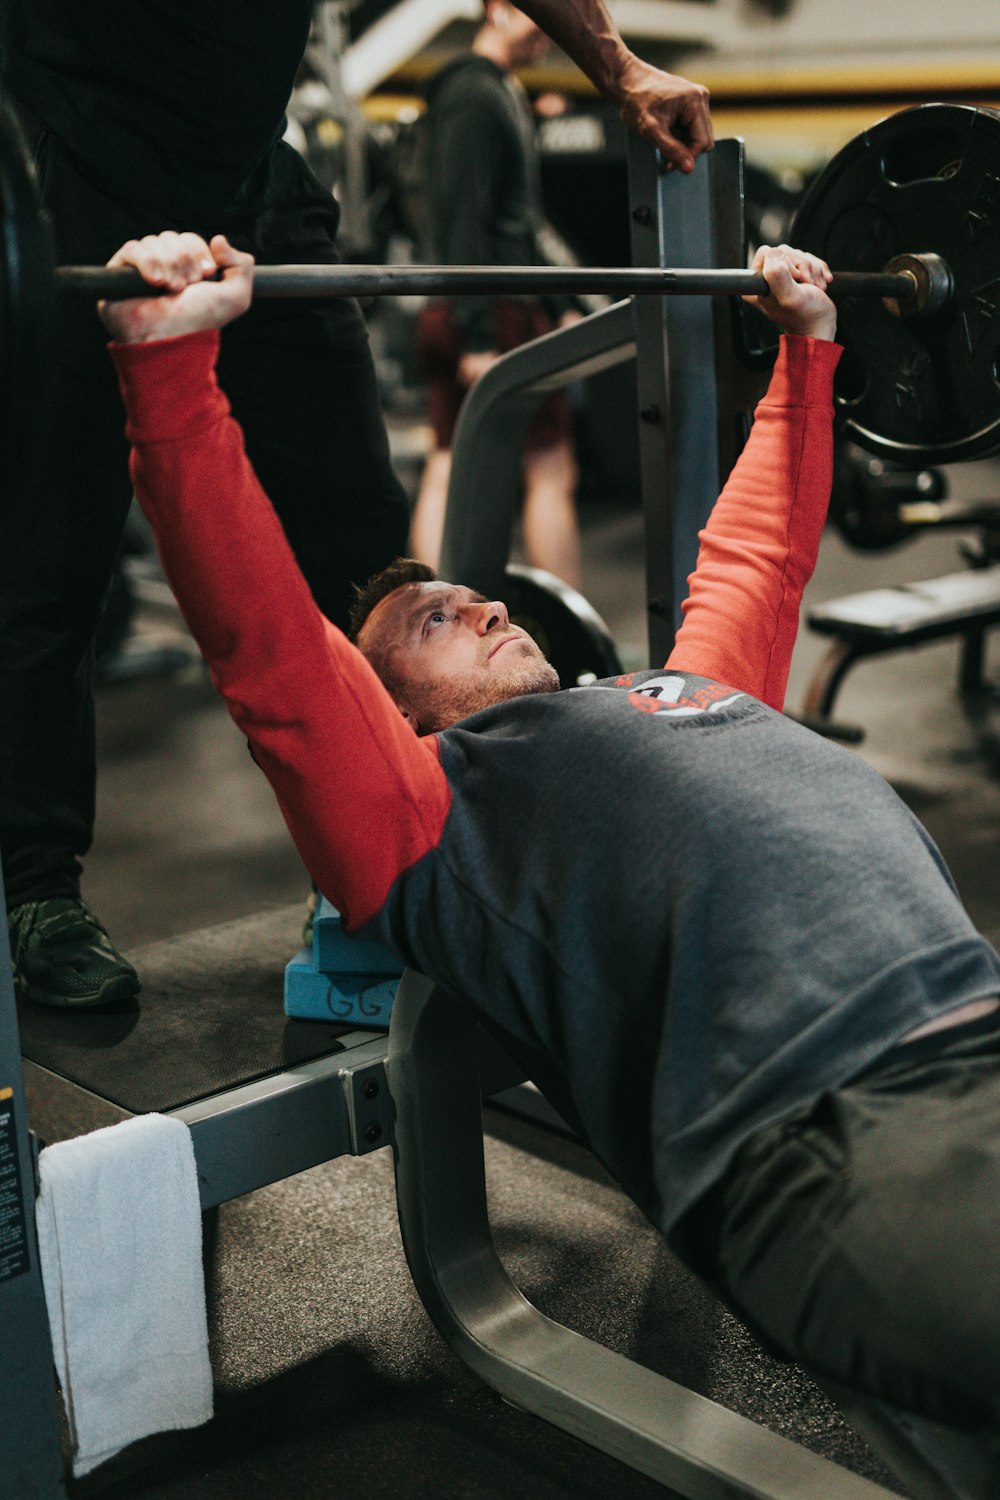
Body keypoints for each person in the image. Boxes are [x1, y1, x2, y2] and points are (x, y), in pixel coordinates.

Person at [97, 229, 1000, 1435]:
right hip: (832, 1131)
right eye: (432, 620)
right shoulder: (431, 813)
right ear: (392, 720)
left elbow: (755, 560)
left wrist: (808, 354)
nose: (481, 598)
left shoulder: (679, 696)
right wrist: (170, 376)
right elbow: (266, 653)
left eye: (470, 596)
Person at [0, 0, 713, 1011]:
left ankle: (415, 846)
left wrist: (621, 70)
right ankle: (33, 891)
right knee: (48, 558)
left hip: (248, 179)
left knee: (367, 555)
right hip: (67, 165)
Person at [409, 0, 583, 586]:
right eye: (542, 12)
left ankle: (427, 634)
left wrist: (560, 305)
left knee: (449, 463)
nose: (551, 32)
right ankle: (581, 654)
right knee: (548, 469)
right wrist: (477, 335)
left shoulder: (496, 92)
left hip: (485, 302)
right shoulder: (474, 95)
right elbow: (466, 219)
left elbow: (521, 220)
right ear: (500, 8)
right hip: (489, 307)